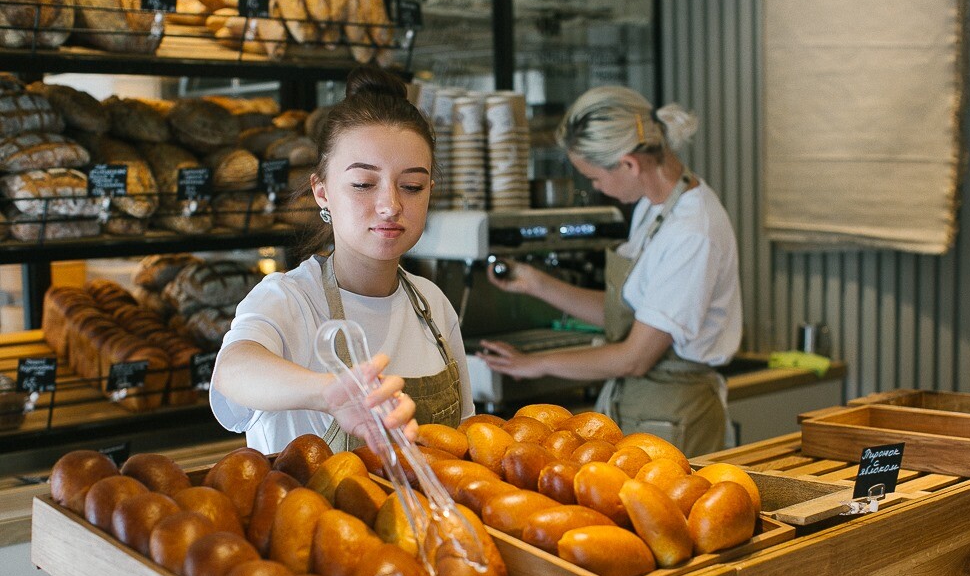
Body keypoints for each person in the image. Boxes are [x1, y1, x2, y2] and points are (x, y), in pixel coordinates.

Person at [210, 65, 475, 454]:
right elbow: (233, 369)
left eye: (412, 186)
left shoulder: (433, 306)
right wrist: (327, 392)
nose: (390, 205)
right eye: (364, 184)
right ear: (322, 192)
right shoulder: (289, 300)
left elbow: (465, 438)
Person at [479, 86, 741, 457]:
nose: (595, 187)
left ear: (629, 163)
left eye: (595, 177)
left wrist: (534, 365)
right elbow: (629, 311)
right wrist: (536, 284)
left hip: (674, 417)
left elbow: (635, 356)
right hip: (643, 409)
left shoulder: (692, 232)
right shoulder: (657, 207)